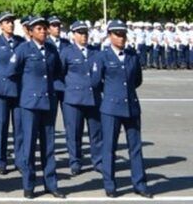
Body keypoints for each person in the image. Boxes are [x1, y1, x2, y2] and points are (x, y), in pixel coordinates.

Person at [90, 20, 153, 198]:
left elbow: (137, 80)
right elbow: (96, 82)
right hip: (111, 107)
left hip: (131, 106)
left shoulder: (132, 55)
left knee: (135, 147)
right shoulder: (102, 56)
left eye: (123, 34)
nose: (121, 37)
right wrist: (111, 93)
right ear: (109, 36)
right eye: (117, 34)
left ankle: (139, 184)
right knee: (109, 147)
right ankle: (110, 185)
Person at [11, 15, 64, 199]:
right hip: (29, 104)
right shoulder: (23, 49)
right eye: (38, 29)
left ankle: (51, 184)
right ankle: (29, 185)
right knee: (29, 146)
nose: (42, 31)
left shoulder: (51, 50)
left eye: (44, 28)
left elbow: (57, 71)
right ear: (31, 32)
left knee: (48, 146)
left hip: (48, 103)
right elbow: (13, 73)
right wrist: (24, 94)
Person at [60, 20, 102, 176]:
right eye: (80, 33)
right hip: (74, 99)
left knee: (96, 133)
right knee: (74, 133)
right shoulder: (67, 52)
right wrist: (69, 91)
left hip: (93, 98)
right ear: (73, 35)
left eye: (85, 33)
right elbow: (60, 73)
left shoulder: (96, 52)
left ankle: (98, 161)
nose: (84, 36)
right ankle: (75, 161)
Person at [0, 11, 24, 175]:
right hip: (0, 90)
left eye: (11, 21)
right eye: (6, 22)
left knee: (19, 127)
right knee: (1, 126)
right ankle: (1, 160)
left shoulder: (21, 42)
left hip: (17, 89)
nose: (10, 24)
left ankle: (20, 160)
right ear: (0, 25)